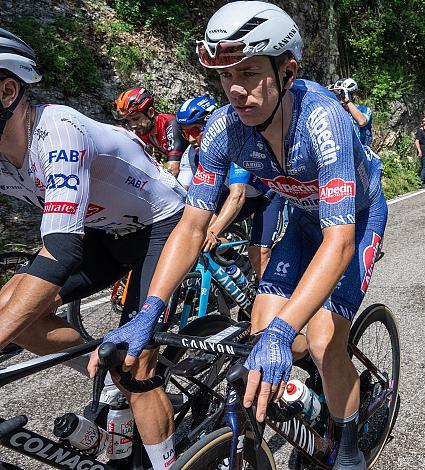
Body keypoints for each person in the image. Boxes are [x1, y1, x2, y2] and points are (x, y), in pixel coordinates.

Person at [88, 3, 387, 469]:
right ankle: (307, 391)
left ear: (288, 69)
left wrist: (291, 325)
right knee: (263, 333)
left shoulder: (324, 121)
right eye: (225, 76)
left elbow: (340, 242)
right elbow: (191, 226)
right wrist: (150, 310)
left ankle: (347, 445)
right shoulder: (223, 128)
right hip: (305, 220)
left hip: (355, 221)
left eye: (248, 72)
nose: (235, 89)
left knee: (325, 340)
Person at [0, 28, 186, 469]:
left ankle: (165, 458)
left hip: (158, 225)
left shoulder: (57, 130)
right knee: (16, 314)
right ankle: (105, 370)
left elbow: (61, 251)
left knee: (135, 365)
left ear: (7, 89)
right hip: (102, 232)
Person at [175, 95, 285, 277]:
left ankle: (269, 299)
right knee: (196, 218)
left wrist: (212, 231)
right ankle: (238, 271)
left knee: (258, 254)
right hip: (236, 197)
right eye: (185, 133)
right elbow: (182, 193)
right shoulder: (191, 155)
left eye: (196, 130)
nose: (191, 139)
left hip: (265, 197)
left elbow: (238, 195)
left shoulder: (233, 143)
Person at [114, 86, 187, 177]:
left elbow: (173, 169)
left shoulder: (170, 124)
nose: (133, 125)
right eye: (127, 121)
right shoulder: (143, 130)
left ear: (150, 112)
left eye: (136, 119)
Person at [332, 78, 374, 147]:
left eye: (343, 96)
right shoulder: (337, 111)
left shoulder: (364, 109)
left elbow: (361, 121)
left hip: (363, 152)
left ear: (353, 95)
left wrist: (347, 101)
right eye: (339, 97)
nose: (341, 100)